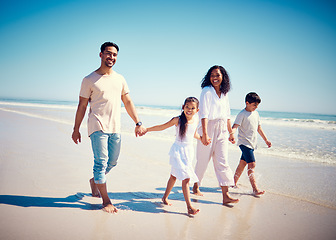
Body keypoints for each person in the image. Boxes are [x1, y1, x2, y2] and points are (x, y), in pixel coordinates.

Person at [71, 42, 145, 213]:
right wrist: (76, 129)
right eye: (108, 53)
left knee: (112, 161)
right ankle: (106, 201)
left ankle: (95, 181)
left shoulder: (120, 79)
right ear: (101, 55)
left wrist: (138, 122)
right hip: (97, 126)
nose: (111, 57)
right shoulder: (89, 79)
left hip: (115, 127)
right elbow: (82, 106)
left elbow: (127, 101)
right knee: (101, 162)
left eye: (114, 55)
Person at [144, 97, 200, 215]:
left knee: (174, 176)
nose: (189, 110)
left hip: (189, 151)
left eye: (192, 108)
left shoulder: (196, 120)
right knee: (186, 178)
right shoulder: (178, 120)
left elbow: (193, 133)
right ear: (183, 107)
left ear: (197, 110)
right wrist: (147, 129)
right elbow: (162, 127)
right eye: (187, 107)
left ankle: (164, 198)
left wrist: (203, 138)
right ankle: (189, 207)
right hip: (178, 152)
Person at [192, 65, 239, 205]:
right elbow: (204, 114)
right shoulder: (206, 91)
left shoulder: (225, 93)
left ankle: (226, 195)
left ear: (223, 76)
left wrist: (230, 132)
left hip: (222, 128)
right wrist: (205, 134)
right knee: (202, 161)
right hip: (208, 127)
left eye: (217, 75)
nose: (215, 78)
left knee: (222, 161)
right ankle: (195, 185)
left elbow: (227, 115)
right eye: (212, 75)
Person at [231, 92, 272, 195]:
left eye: (257, 105)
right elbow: (235, 126)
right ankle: (255, 189)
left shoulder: (256, 114)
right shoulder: (242, 114)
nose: (256, 107)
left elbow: (259, 128)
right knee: (252, 164)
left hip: (252, 143)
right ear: (247, 103)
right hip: (244, 143)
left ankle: (233, 183)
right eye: (254, 105)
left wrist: (266, 140)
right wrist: (231, 134)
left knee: (242, 163)